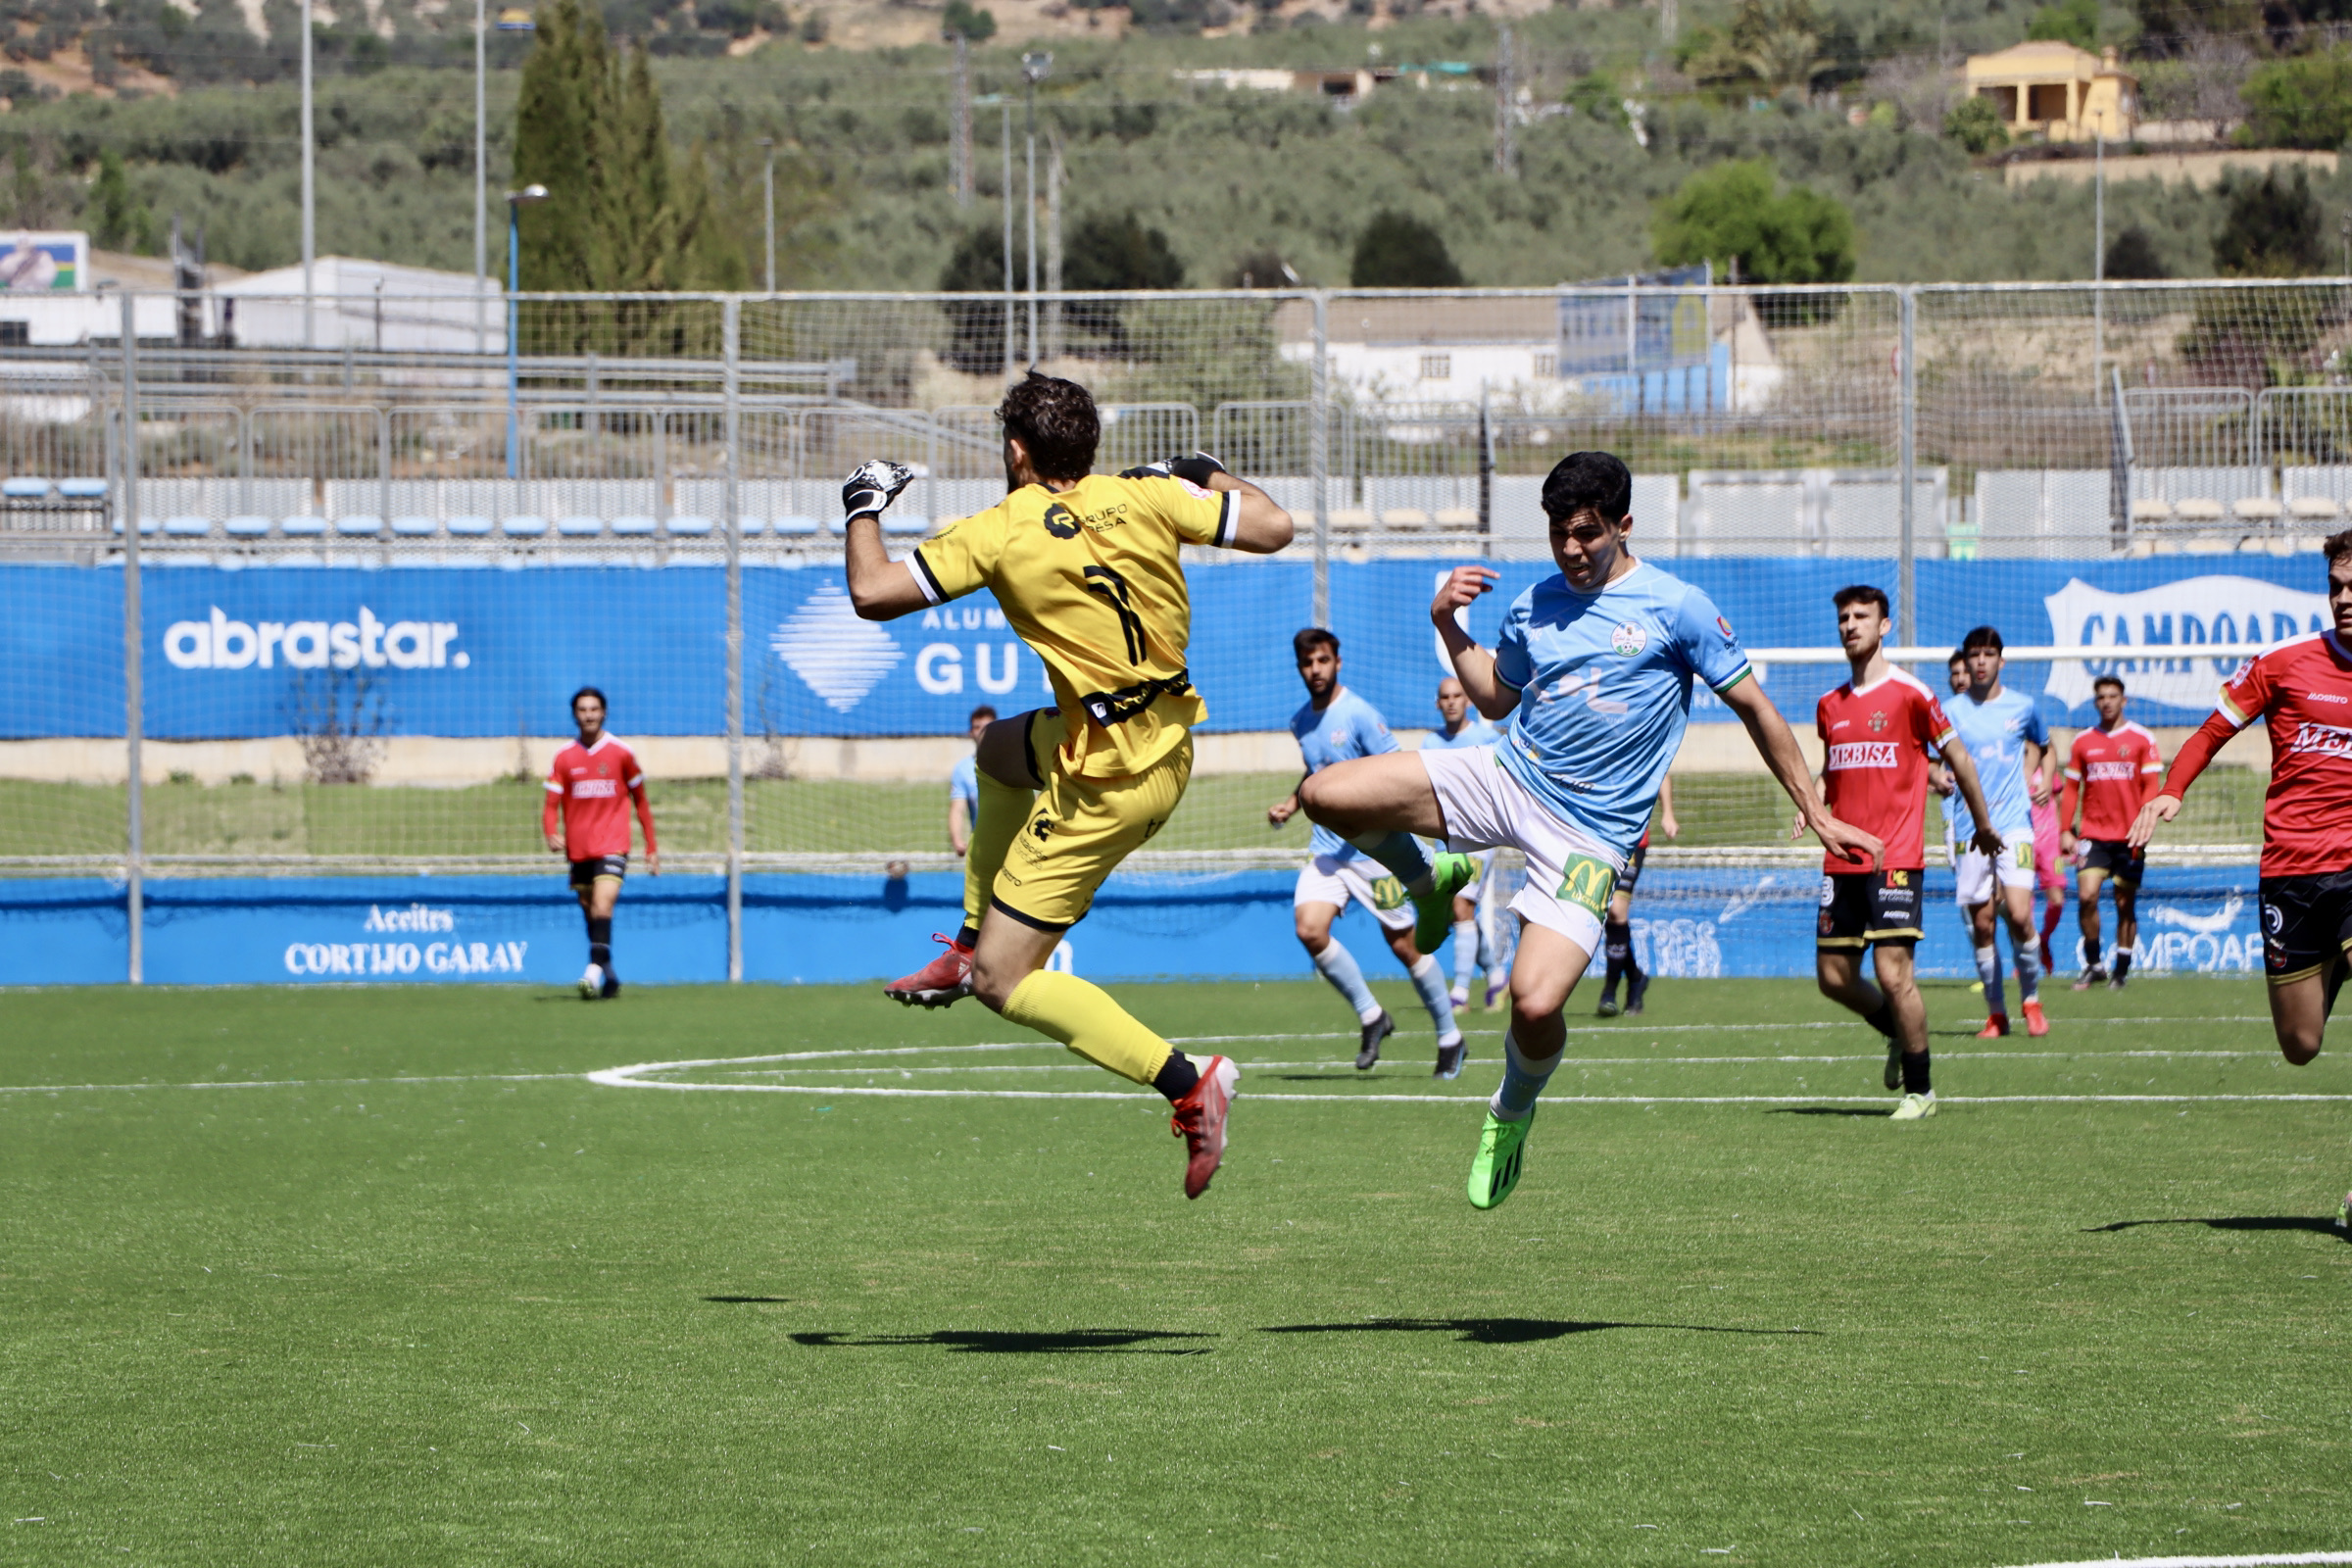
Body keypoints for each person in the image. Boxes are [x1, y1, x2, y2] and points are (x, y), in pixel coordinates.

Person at [1295, 451, 1879, 1210]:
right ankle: (1427, 877)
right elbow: (1496, 699)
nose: (1572, 550)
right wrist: (1446, 622)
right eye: (1558, 534)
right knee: (1325, 794)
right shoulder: (1535, 603)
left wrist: (1816, 803)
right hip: (1507, 777)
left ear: (1624, 525)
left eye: (1588, 533)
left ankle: (1510, 1110)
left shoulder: (1678, 608)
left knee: (1534, 1006)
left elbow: (1758, 712)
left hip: (1589, 836)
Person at [850, 371, 1294, 1199]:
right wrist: (1203, 472)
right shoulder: (1143, 497)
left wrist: (862, 505)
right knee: (996, 754)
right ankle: (968, 936)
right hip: (1162, 739)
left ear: (1016, 451)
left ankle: (1191, 1082)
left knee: (1004, 983)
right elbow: (1274, 524)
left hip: (1106, 781)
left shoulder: (1001, 529)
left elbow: (872, 592)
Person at [2134, 533, 2352, 1232]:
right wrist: (2172, 789)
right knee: (2301, 1046)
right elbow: (2209, 732)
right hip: (2290, 875)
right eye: (2337, 586)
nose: (2345, 599)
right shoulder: (2286, 664)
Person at [1811, 587, 2003, 1120]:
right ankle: (1896, 1031)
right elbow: (1834, 769)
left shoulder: (1911, 693)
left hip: (1895, 857)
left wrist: (1982, 824)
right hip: (1842, 858)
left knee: (1895, 974)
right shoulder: (1830, 705)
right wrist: (1814, 804)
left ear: (1884, 625)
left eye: (1861, 617)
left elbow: (1958, 756)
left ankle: (1921, 1090)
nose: (1850, 625)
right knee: (1832, 977)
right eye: (1844, 617)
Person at [1268, 631, 1465, 1078]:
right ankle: (1372, 1015)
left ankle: (1450, 1037)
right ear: (1300, 668)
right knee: (1309, 929)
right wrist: (1293, 802)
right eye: (1307, 663)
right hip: (1328, 849)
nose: (1315, 669)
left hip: (1375, 851)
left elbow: (1396, 771)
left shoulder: (1357, 714)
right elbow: (1318, 770)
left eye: (1322, 660)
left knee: (1404, 945)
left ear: (1338, 662)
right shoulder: (1300, 721)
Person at [1947, 626, 2052, 1039]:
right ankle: (1996, 1014)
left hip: (2013, 825)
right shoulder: (1950, 710)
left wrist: (2042, 775)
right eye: (1974, 654)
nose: (1980, 661)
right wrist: (1936, 776)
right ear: (1966, 661)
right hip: (1969, 827)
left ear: (2000, 661)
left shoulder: (2023, 706)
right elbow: (1926, 753)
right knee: (1984, 924)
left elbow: (2043, 743)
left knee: (2021, 914)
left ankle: (2032, 1002)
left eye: (1988, 654)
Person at [542, 686, 659, 1000]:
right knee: (590, 913)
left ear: (604, 712)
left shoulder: (621, 753)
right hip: (579, 850)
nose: (589, 715)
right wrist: (550, 830)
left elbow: (642, 802)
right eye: (582, 709)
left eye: (594, 709)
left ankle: (590, 973)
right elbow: (551, 802)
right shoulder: (565, 757)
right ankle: (609, 976)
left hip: (613, 845)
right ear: (574, 714)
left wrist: (651, 847)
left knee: (603, 903)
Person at [2060, 675, 2162, 989]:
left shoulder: (2142, 739)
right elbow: (2071, 789)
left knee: (2124, 903)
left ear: (2124, 700)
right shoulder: (2083, 742)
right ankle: (2093, 964)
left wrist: (2145, 823)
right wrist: (2065, 829)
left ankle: (2121, 969)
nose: (2107, 702)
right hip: (2092, 834)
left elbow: (2150, 786)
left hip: (2130, 836)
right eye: (2101, 697)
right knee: (2087, 896)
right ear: (2095, 702)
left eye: (2113, 696)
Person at [1420, 675, 1507, 1013]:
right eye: (1446, 697)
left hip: (1480, 838)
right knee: (1459, 915)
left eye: (1458, 695)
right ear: (1438, 703)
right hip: (1446, 841)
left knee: (1462, 909)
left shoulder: (1486, 738)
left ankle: (1458, 993)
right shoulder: (1430, 743)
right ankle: (1498, 978)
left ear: (1469, 700)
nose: (1452, 701)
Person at [1595, 775, 1675, 1017]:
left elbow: (1662, 772)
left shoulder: (1634, 738)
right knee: (1605, 912)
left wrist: (1667, 812)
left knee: (1616, 910)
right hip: (1597, 835)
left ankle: (1609, 992)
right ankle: (1636, 978)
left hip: (1631, 838)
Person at [948, 705, 997, 858]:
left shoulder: (1015, 761)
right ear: (971, 733)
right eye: (977, 727)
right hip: (982, 847)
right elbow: (958, 809)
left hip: (1017, 843)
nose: (983, 731)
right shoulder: (963, 769)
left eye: (988, 726)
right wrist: (957, 840)